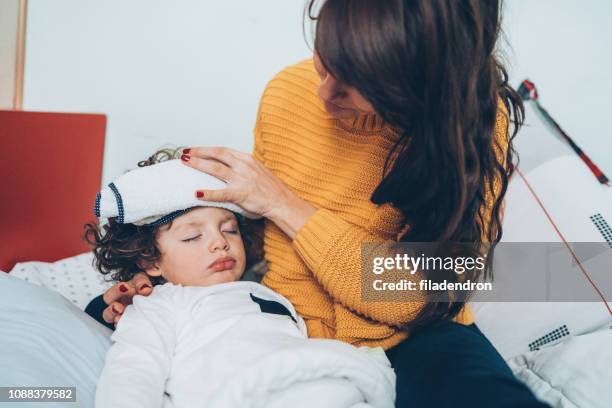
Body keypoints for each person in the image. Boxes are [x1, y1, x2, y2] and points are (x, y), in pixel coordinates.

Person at [87, 1, 550, 406]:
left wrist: (282, 203)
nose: (322, 92)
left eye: (352, 85)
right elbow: (243, 253)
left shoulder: (474, 126)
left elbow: (426, 297)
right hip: (287, 331)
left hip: (413, 335)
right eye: (324, 59)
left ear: (418, 91)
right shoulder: (287, 93)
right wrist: (146, 288)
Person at [87, 154, 395, 408]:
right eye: (193, 236)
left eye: (230, 230)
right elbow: (132, 371)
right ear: (150, 261)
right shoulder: (161, 305)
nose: (220, 242)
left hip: (315, 382)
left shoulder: (269, 291)